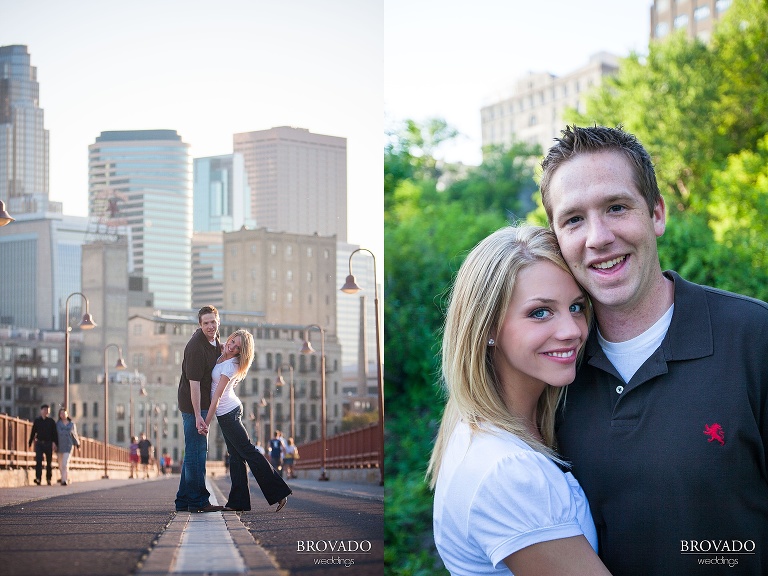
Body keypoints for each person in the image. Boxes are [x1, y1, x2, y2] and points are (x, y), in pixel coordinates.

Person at [540, 125, 768, 575]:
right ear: (556, 239)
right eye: (573, 220)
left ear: (657, 214)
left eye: (617, 207)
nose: (598, 237)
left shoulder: (754, 336)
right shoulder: (553, 368)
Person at [427, 225, 609, 575]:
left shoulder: (482, 424)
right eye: (540, 312)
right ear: (488, 328)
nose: (572, 330)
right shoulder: (508, 472)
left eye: (576, 307)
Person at [203, 329, 290, 512]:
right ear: (231, 337)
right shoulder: (223, 351)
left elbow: (217, 397)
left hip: (228, 412)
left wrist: (206, 422)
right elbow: (214, 344)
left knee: (248, 451)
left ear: (241, 353)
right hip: (227, 412)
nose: (232, 346)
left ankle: (279, 492)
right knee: (236, 457)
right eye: (233, 341)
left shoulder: (232, 365)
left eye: (237, 347)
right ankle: (239, 503)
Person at [174, 305, 223, 513]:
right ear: (200, 325)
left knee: (194, 451)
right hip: (193, 404)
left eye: (213, 322)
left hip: (204, 403)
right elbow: (194, 386)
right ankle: (198, 501)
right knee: (197, 452)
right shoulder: (196, 348)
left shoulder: (214, 340)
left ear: (218, 321)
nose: (210, 326)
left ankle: (183, 500)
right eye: (206, 323)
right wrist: (197, 416)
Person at [28, 404, 58, 486]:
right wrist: (30, 442)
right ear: (41, 411)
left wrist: (55, 443)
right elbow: (33, 432)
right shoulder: (37, 421)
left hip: (48, 443)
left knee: (49, 462)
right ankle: (38, 478)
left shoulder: (51, 421)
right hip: (39, 443)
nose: (46, 411)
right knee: (38, 461)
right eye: (44, 410)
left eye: (47, 410)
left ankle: (48, 478)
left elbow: (54, 434)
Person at [55, 408, 80, 486]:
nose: (62, 415)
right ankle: (64, 477)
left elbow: (74, 435)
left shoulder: (71, 424)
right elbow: (55, 435)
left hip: (68, 446)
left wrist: (78, 445)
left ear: (67, 414)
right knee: (60, 464)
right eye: (61, 413)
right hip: (59, 446)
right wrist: (54, 444)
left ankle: (64, 480)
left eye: (64, 413)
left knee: (65, 463)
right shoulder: (57, 424)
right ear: (59, 415)